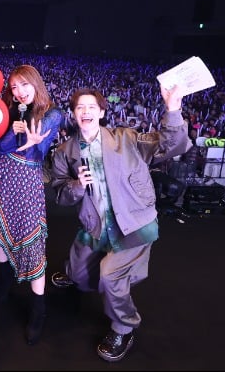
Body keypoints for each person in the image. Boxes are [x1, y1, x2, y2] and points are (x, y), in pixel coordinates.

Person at [48, 84, 190, 362]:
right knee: (78, 274)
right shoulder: (65, 151)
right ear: (73, 114)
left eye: (92, 107)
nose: (86, 111)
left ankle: (123, 328)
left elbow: (172, 145)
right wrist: (77, 185)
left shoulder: (127, 138)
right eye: (80, 107)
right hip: (95, 225)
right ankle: (74, 275)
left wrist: (173, 109)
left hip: (134, 224)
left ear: (101, 112)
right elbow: (61, 195)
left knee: (110, 276)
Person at [0, 64, 63, 345]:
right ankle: (5, 279)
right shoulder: (7, 110)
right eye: (14, 87)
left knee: (31, 240)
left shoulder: (52, 113)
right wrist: (13, 132)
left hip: (26, 182)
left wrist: (30, 140)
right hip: (1, 174)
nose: (20, 91)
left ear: (36, 84)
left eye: (24, 84)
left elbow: (35, 151)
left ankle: (38, 309)